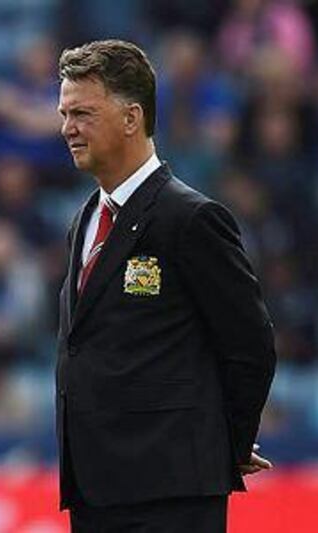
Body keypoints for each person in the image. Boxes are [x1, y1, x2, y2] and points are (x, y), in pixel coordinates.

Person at [55, 39, 277, 532]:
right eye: (64, 113)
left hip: (170, 493)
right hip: (95, 489)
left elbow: (251, 345)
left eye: (83, 114)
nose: (67, 128)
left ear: (132, 118)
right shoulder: (85, 219)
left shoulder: (192, 219)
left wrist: (230, 445)